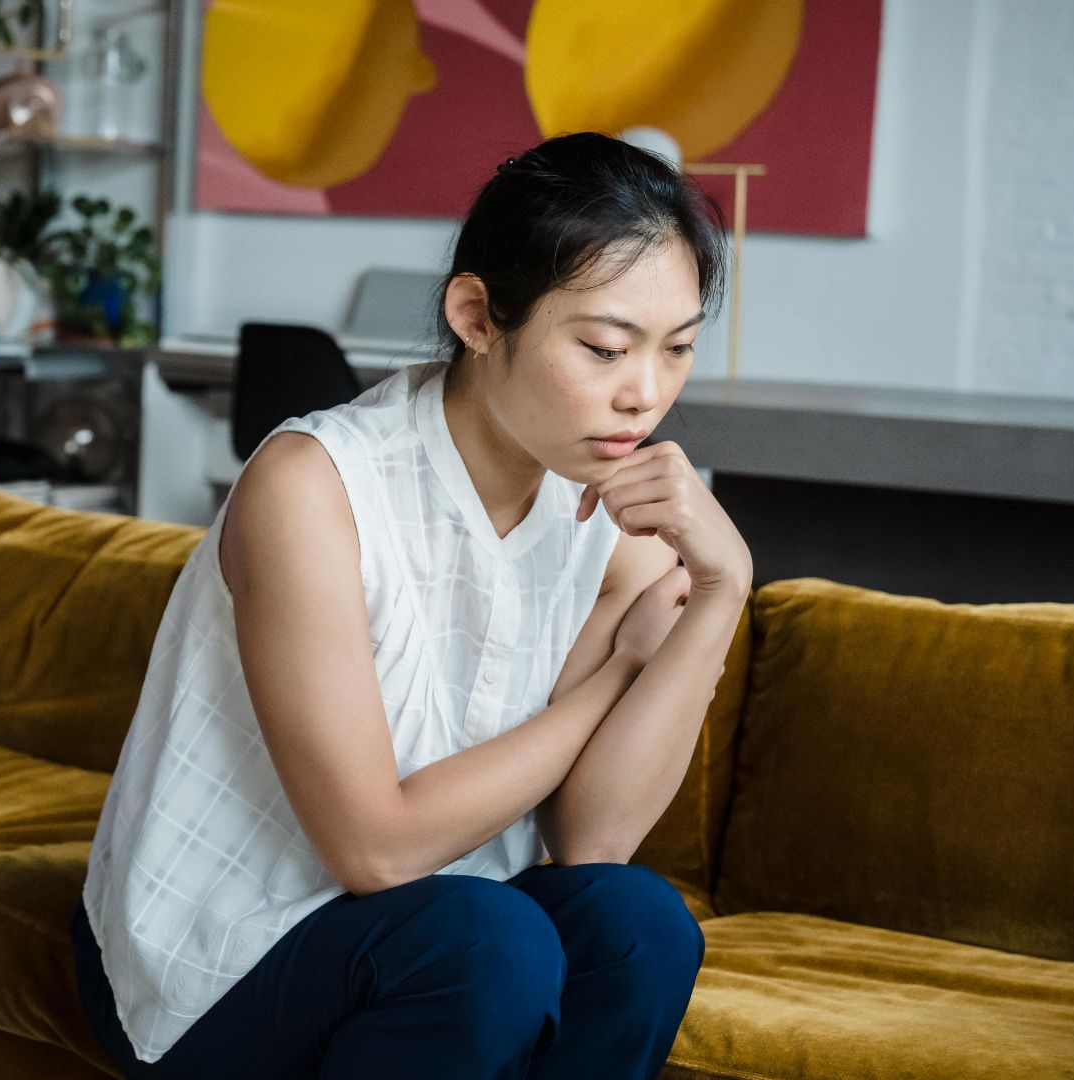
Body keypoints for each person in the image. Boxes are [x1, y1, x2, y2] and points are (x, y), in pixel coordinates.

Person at [74, 132, 752, 1078]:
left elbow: (592, 841)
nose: (643, 394)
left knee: (639, 924)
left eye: (676, 348)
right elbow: (375, 851)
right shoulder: (313, 486)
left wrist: (722, 592)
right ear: (477, 314)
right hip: (220, 950)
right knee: (488, 943)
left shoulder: (613, 507)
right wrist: (619, 676)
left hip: (448, 931)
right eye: (603, 347)